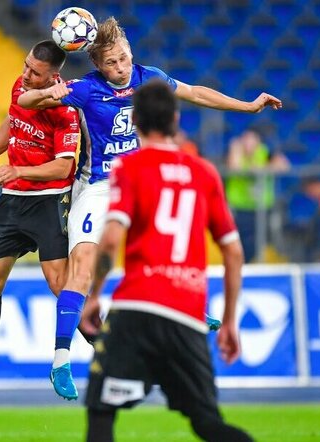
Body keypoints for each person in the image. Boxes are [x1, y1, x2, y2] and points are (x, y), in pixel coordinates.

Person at [17, 16, 282, 397]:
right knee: (84, 269)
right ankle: (61, 361)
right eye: (111, 63)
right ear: (97, 65)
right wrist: (50, 94)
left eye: (124, 58)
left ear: (130, 52)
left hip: (136, 185)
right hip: (96, 188)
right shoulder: (85, 89)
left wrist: (247, 106)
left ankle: (184, 311)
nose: (121, 68)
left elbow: (195, 93)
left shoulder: (149, 76)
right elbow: (25, 101)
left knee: (167, 248)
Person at [83, 80, 252, 442]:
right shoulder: (204, 173)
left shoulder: (129, 168)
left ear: (136, 122)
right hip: (187, 314)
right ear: (176, 119)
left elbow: (111, 238)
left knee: (101, 412)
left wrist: (94, 295)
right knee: (207, 423)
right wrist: (230, 321)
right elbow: (234, 252)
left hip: (137, 308)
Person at [0, 40, 80, 402]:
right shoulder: (20, 87)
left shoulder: (65, 110)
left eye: (35, 73)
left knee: (61, 285)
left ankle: (108, 347)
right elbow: (12, 124)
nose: (25, 75)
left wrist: (17, 169)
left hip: (49, 203)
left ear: (53, 76)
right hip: (13, 203)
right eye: (25, 66)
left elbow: (64, 166)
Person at [225, 128, 290, 262]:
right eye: (245, 139)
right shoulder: (236, 152)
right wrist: (236, 150)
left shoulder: (265, 152)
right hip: (240, 207)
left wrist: (263, 169)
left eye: (251, 139)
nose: (248, 143)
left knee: (260, 242)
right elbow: (234, 167)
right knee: (239, 241)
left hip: (261, 208)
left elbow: (284, 165)